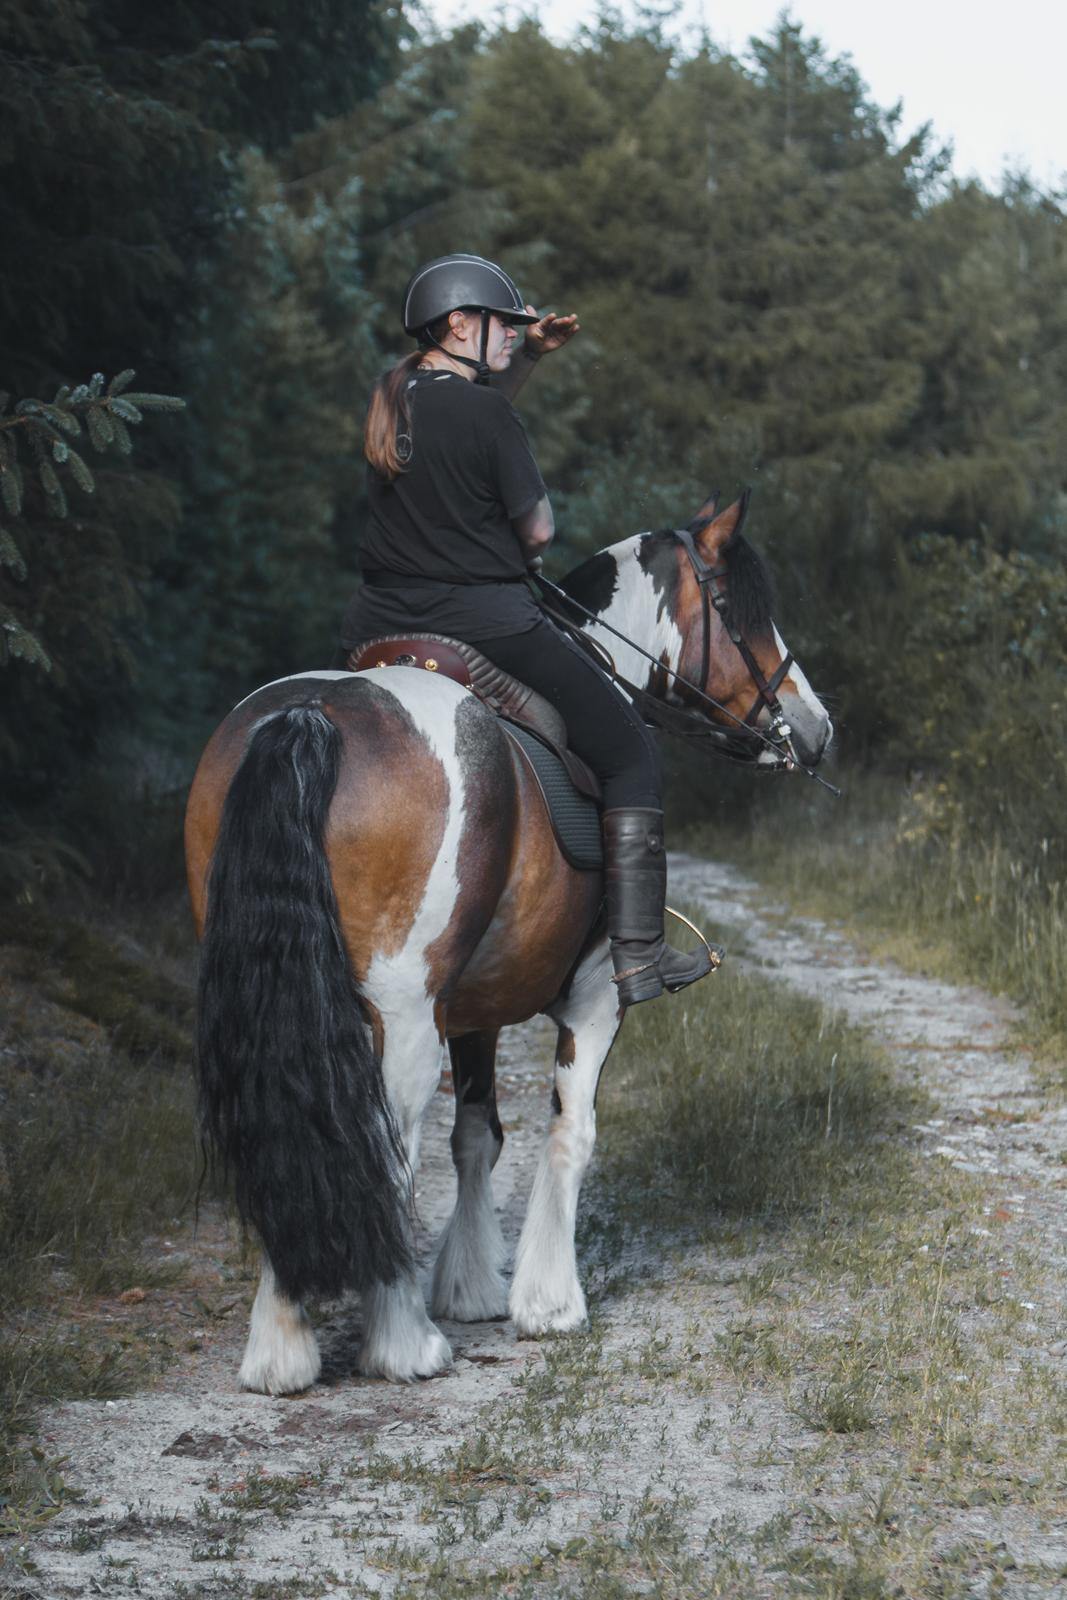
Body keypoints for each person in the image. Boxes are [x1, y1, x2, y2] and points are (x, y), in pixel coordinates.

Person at [339, 252, 711, 1008]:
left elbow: (462, 412)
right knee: (629, 747)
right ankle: (638, 955)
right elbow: (537, 531)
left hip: (373, 627)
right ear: (457, 324)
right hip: (488, 624)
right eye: (501, 323)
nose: (514, 333)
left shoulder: (393, 398)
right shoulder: (489, 413)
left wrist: (526, 356)